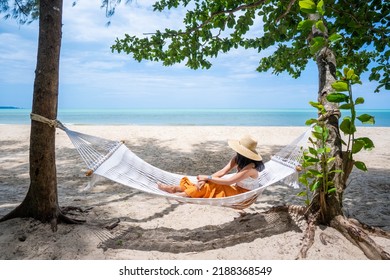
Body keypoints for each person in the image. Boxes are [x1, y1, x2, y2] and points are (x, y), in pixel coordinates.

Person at [157, 135, 265, 198]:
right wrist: (205, 180)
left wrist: (207, 178)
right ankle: (175, 188)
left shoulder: (251, 168)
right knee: (209, 183)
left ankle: (181, 194)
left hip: (243, 196)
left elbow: (229, 181)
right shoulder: (238, 159)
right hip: (235, 190)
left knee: (213, 185)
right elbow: (222, 172)